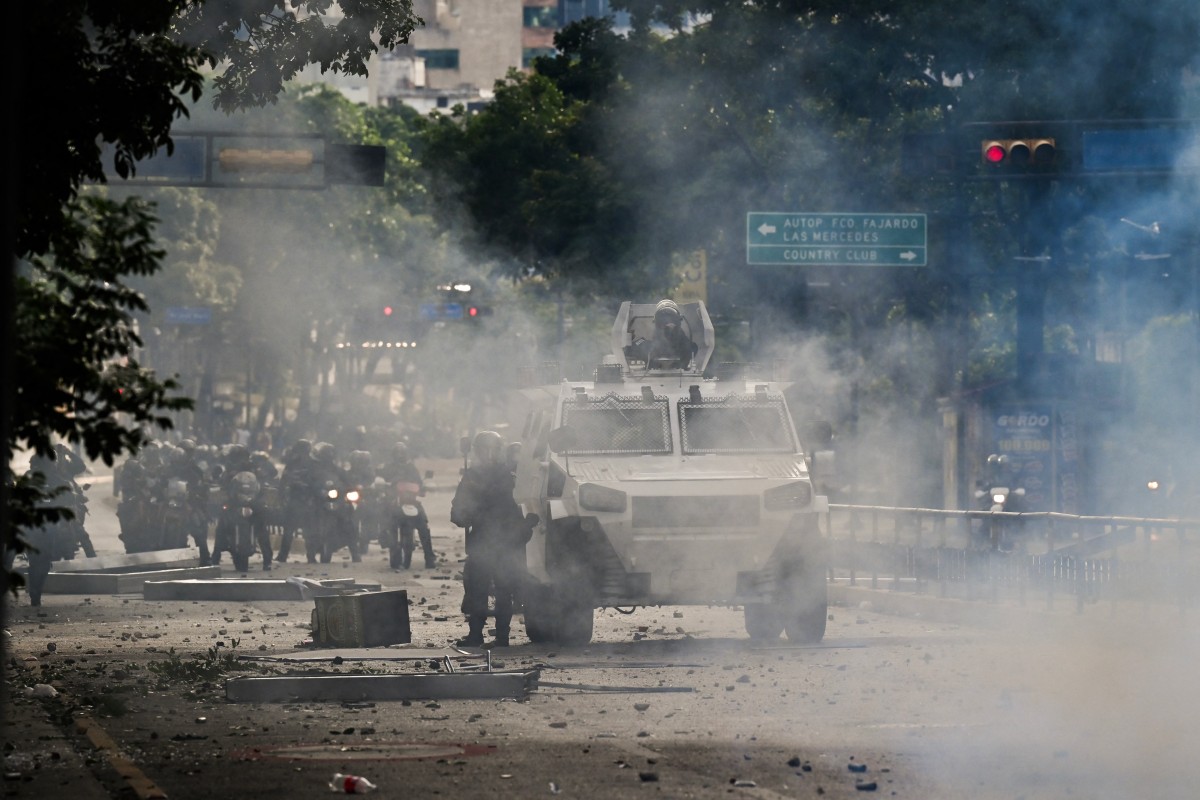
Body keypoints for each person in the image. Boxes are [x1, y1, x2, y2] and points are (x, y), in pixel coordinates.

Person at [450, 431, 536, 648]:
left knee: (501, 590)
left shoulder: (508, 476)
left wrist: (524, 525)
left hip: (501, 541)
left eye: (492, 450)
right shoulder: (477, 476)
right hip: (485, 542)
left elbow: (521, 505)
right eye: (484, 450)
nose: (488, 454)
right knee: (479, 589)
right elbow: (459, 511)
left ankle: (498, 637)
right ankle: (480, 635)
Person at [378, 442, 436, 569]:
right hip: (394, 501)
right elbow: (380, 481)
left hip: (411, 501)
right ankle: (385, 538)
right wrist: (384, 486)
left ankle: (429, 557)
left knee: (423, 525)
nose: (400, 455)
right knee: (386, 518)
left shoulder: (411, 468)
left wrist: (423, 488)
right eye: (397, 453)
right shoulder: (388, 468)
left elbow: (419, 483)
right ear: (393, 455)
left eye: (402, 453)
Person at [645, 298, 697, 369]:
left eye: (672, 319)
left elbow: (691, 349)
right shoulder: (646, 345)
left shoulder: (687, 345)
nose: (668, 325)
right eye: (663, 320)